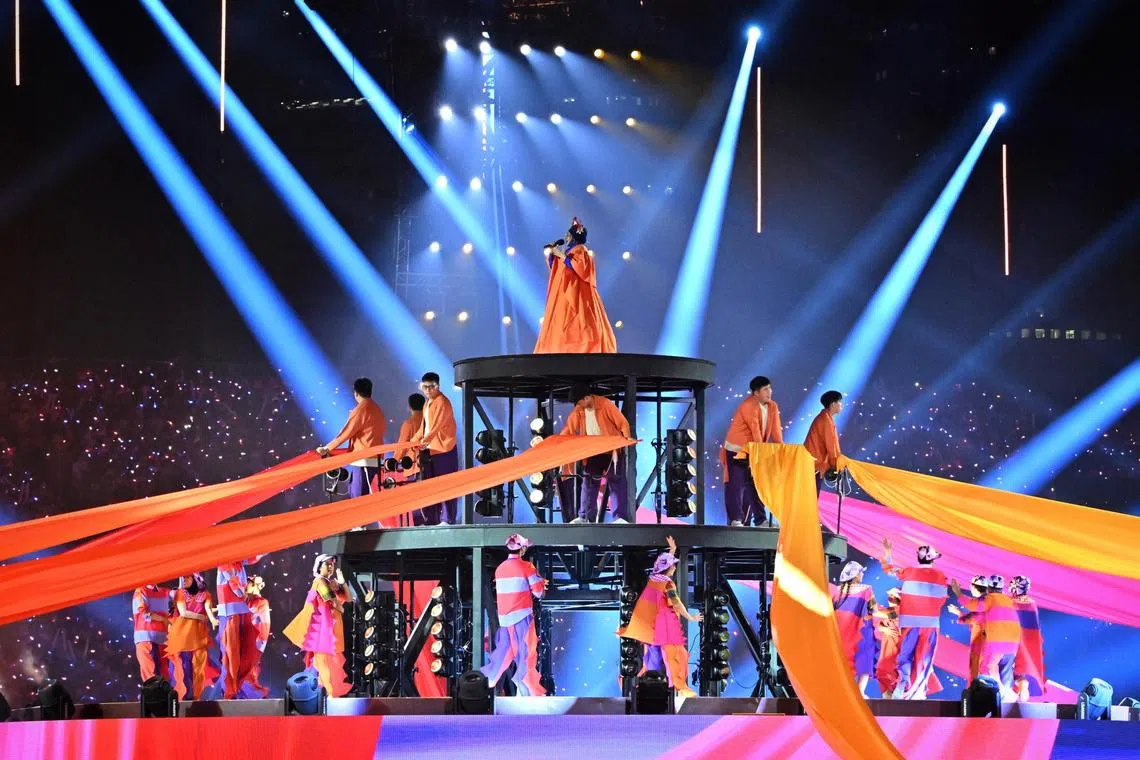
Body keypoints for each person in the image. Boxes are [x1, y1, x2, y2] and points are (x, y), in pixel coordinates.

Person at [617, 536, 703, 698]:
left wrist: (672, 550)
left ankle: (649, 687)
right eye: (673, 565)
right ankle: (680, 688)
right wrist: (690, 617)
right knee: (675, 655)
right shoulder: (668, 584)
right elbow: (676, 603)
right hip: (665, 625)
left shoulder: (653, 579)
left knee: (654, 657)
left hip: (651, 626)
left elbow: (662, 564)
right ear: (669, 568)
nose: (675, 568)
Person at [534, 217, 618, 354]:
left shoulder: (581, 250)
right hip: (564, 291)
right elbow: (560, 268)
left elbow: (579, 268)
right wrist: (553, 256)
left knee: (578, 319)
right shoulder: (570, 251)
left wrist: (561, 255)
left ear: (573, 237)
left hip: (577, 292)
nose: (566, 237)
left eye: (568, 235)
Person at [480, 534, 548, 696]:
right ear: (522, 549)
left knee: (505, 652)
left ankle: (488, 681)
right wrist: (542, 583)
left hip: (505, 619)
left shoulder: (500, 569)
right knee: (527, 653)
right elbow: (539, 593)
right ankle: (527, 686)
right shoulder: (527, 567)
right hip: (522, 617)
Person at [881, 539, 949, 700]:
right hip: (930, 624)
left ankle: (903, 684)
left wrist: (888, 552)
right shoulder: (941, 576)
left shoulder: (908, 572)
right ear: (933, 559)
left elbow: (889, 570)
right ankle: (916, 692)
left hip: (909, 622)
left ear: (918, 557)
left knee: (905, 655)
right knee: (923, 658)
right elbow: (942, 598)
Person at [558, 383, 632, 524]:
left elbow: (622, 423)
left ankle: (619, 518)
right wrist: (559, 443)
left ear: (587, 398)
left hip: (611, 449)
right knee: (589, 482)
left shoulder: (605, 404)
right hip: (593, 450)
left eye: (579, 402)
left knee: (616, 481)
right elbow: (569, 428)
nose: (578, 405)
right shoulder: (579, 410)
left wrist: (626, 440)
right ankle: (585, 517)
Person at [284, 554, 353, 697]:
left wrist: (342, 583)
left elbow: (348, 598)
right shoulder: (320, 581)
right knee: (325, 664)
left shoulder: (329, 582)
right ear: (319, 566)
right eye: (327, 563)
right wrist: (339, 605)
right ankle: (329, 695)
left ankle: (326, 695)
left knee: (329, 664)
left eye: (332, 564)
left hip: (330, 631)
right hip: (322, 632)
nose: (330, 566)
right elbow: (333, 601)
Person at [721, 376, 783, 526]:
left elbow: (776, 430)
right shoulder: (747, 405)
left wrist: (781, 449)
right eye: (765, 389)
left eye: (770, 388)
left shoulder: (772, 406)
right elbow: (755, 429)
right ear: (756, 393)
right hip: (737, 449)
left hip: (754, 450)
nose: (770, 392)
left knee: (756, 485)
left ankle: (760, 520)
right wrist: (760, 452)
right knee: (735, 485)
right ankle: (736, 519)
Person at [951, 573, 1022, 702]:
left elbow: (973, 606)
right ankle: (1007, 701)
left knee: (986, 670)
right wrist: (962, 616)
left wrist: (958, 593)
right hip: (1012, 645)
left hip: (997, 644)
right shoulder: (1008, 601)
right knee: (1006, 675)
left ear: (988, 588)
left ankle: (1001, 696)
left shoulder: (989, 599)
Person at [316, 377, 386, 500]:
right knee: (360, 495)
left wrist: (327, 448)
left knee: (357, 499)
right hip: (376, 459)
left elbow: (346, 433)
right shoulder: (377, 409)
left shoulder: (360, 410)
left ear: (356, 393)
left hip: (363, 460)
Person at [413, 372, 459, 525]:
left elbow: (435, 427)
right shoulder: (427, 403)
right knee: (431, 486)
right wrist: (411, 442)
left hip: (444, 449)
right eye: (424, 387)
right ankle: (432, 520)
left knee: (446, 485)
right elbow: (424, 428)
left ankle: (447, 519)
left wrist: (423, 441)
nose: (427, 390)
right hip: (431, 450)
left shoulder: (443, 402)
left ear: (437, 386)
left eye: (431, 387)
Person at [166, 573, 218, 701]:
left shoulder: (206, 594)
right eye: (183, 577)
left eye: (187, 577)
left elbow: (207, 609)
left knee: (199, 669)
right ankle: (185, 698)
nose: (184, 580)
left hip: (199, 636)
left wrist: (212, 619)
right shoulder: (180, 593)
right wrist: (201, 617)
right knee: (184, 668)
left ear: (196, 579)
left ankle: (196, 698)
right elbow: (183, 612)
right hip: (183, 636)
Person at [216, 557, 262, 699]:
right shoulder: (224, 562)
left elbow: (255, 557)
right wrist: (245, 593)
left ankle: (240, 688)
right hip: (230, 615)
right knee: (231, 655)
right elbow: (235, 586)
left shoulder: (240, 563)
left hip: (242, 613)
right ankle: (230, 691)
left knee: (245, 654)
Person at [832, 561, 877, 696]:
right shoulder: (866, 589)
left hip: (841, 632)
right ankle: (860, 691)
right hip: (861, 631)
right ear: (856, 575)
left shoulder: (837, 591)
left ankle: (844, 690)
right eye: (861, 572)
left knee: (843, 660)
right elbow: (874, 609)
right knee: (865, 658)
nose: (862, 575)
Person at [1007, 575, 1045, 702]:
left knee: (1013, 672)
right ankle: (1020, 700)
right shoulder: (1031, 603)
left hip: (1013, 641)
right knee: (1022, 672)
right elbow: (1035, 627)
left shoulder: (1009, 603)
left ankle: (1017, 699)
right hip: (1029, 644)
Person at [132, 582, 175, 685]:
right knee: (152, 677)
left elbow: (180, 594)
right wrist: (164, 619)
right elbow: (144, 613)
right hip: (147, 639)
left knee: (162, 677)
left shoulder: (164, 592)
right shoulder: (141, 591)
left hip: (161, 641)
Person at [803, 390, 843, 494]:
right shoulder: (826, 420)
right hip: (814, 464)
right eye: (839, 402)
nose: (841, 404)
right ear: (833, 404)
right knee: (811, 495)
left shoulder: (825, 417)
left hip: (813, 463)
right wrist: (836, 464)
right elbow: (831, 446)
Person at [242, 575, 272, 698]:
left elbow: (260, 622)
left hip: (255, 640)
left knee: (249, 668)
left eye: (248, 583)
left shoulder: (261, 602)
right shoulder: (244, 601)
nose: (245, 585)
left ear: (255, 586)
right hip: (244, 638)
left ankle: (252, 695)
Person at [873, 587, 902, 698]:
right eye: (889, 596)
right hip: (887, 647)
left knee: (891, 672)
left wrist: (868, 594)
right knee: (883, 672)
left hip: (895, 648)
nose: (889, 598)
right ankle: (888, 699)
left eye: (892, 596)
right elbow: (880, 624)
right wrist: (884, 628)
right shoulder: (890, 611)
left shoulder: (897, 611)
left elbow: (875, 612)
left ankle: (894, 699)